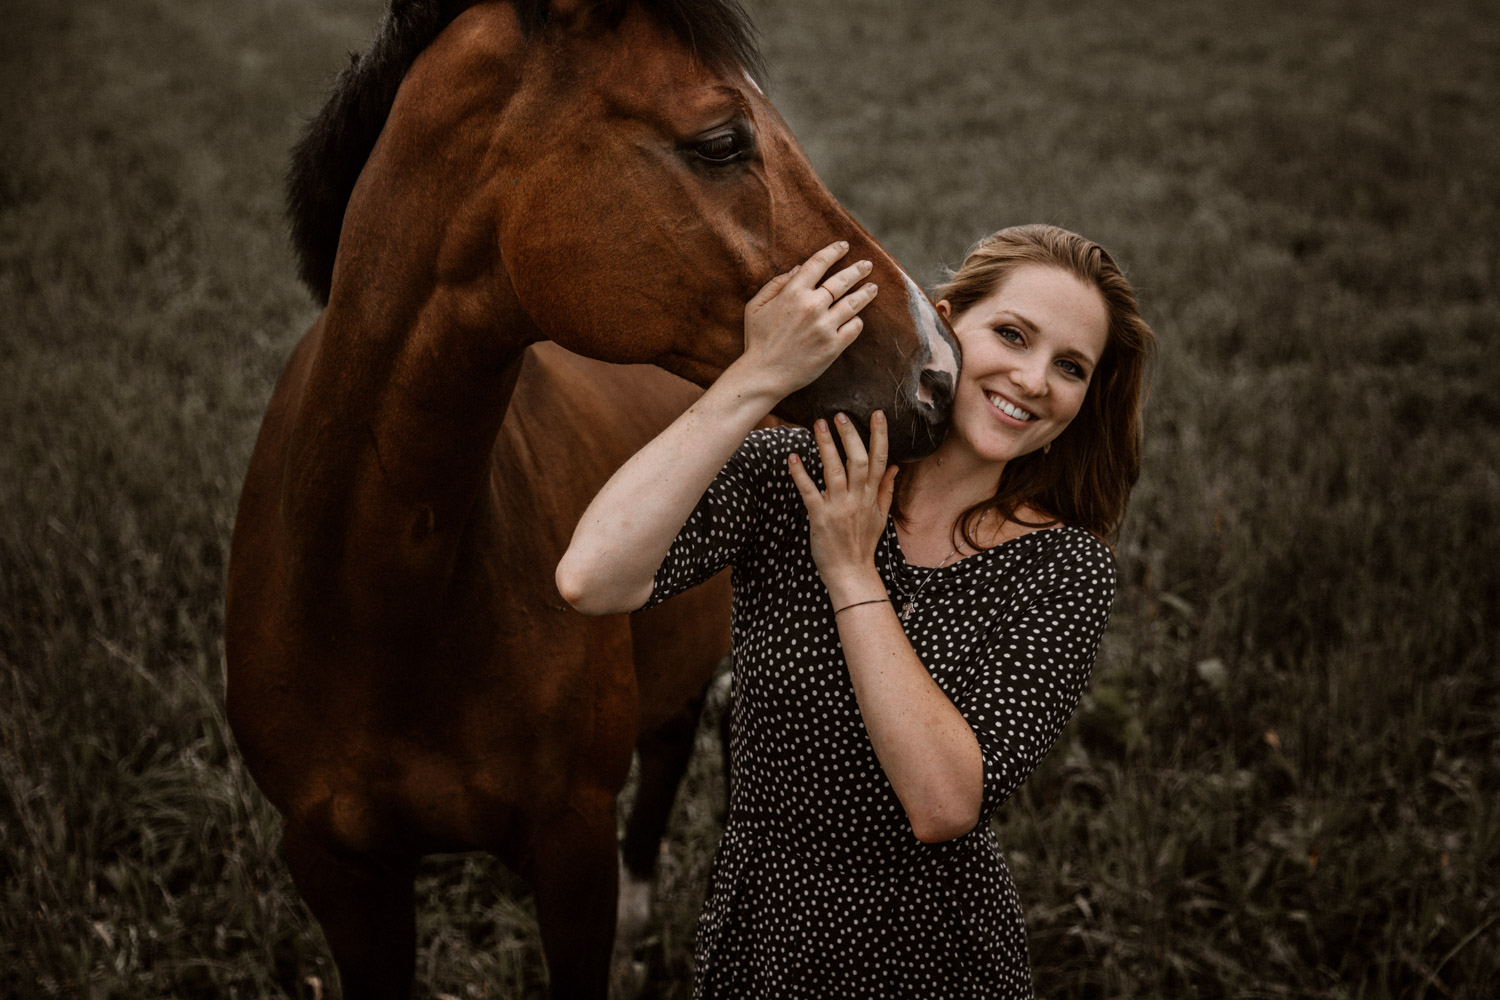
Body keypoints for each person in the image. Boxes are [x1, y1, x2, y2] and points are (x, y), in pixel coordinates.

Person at [556, 224, 1156, 997]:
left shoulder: (1063, 569)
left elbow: (942, 803)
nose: (1035, 378)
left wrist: (851, 572)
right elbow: (592, 576)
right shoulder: (797, 473)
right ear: (943, 327)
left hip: (926, 955)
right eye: (1012, 334)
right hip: (761, 934)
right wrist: (757, 379)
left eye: (1070, 367)